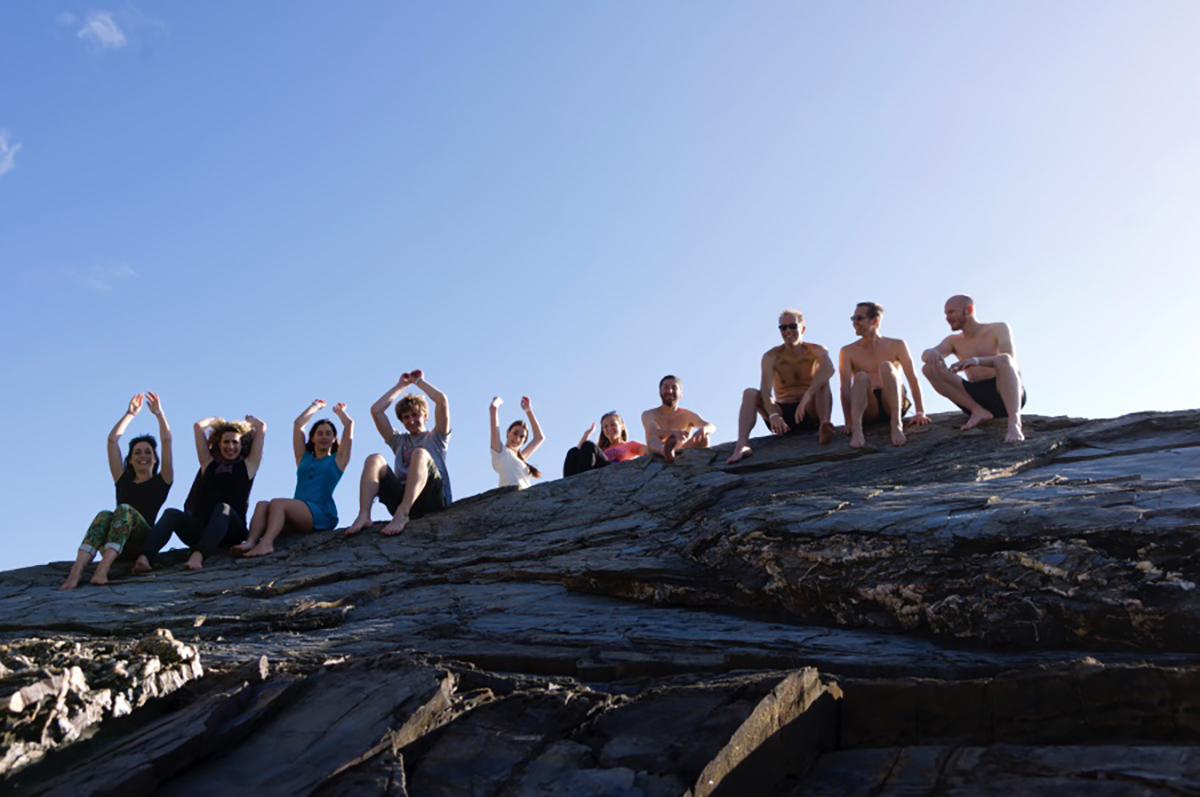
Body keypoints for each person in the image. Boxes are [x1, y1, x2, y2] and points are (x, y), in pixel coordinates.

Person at [61, 393, 174, 589]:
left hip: (142, 542)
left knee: (124, 510)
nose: (143, 456)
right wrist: (130, 414)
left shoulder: (162, 481)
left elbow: (166, 441)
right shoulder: (123, 480)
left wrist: (159, 414)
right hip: (116, 540)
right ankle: (76, 572)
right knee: (104, 515)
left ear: (155, 459)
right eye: (137, 453)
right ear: (130, 460)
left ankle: (102, 569)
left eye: (148, 452)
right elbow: (112, 441)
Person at [134, 414, 266, 573]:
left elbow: (261, 427)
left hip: (231, 531)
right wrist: (216, 422)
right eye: (226, 441)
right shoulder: (208, 463)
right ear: (218, 443)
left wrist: (249, 421)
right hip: (201, 531)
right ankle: (145, 558)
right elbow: (197, 427)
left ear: (241, 444)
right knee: (171, 514)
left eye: (235, 442)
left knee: (223, 508)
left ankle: (199, 555)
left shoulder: (248, 466)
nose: (230, 446)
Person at [235, 399, 354, 558]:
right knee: (262, 504)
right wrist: (315, 406)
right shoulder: (303, 458)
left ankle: (267, 543)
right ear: (312, 438)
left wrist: (341, 413)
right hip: (298, 511)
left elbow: (349, 425)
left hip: (320, 511)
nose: (324, 437)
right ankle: (250, 541)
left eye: (328, 433)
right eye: (320, 433)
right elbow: (298, 425)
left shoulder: (338, 460)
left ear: (334, 439)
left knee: (278, 503)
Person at [345, 370, 452, 536]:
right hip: (401, 495)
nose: (411, 421)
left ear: (425, 416)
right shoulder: (399, 441)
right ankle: (364, 514)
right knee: (374, 459)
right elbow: (376, 411)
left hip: (433, 498)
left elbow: (442, 401)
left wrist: (419, 382)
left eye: (415, 415)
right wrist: (401, 386)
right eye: (406, 417)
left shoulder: (437, 437)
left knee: (420, 454)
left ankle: (403, 512)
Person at [727, 309, 837, 464]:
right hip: (782, 417)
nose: (788, 331)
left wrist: (807, 397)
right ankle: (742, 445)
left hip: (810, 412)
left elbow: (829, 368)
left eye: (792, 326)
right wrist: (773, 415)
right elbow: (765, 390)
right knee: (750, 393)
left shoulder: (816, 350)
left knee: (823, 380)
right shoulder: (771, 356)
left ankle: (824, 426)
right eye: (783, 328)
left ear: (802, 328)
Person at [921, 294, 1026, 443]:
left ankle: (1014, 424)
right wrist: (929, 352)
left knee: (1004, 359)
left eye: (951, 312)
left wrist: (976, 361)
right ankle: (978, 412)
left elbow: (1009, 360)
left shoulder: (998, 328)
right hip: (976, 397)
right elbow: (926, 356)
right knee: (928, 368)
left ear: (968, 309)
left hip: (1004, 393)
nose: (947, 317)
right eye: (946, 313)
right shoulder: (953, 340)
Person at [838, 302, 930, 449]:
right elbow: (845, 388)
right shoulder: (847, 351)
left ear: (874, 321)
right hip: (868, 406)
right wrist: (848, 421)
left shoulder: (897, 345)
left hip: (893, 401)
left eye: (859, 318)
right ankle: (857, 429)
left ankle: (896, 425)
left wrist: (920, 411)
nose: (855, 323)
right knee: (861, 376)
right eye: (853, 319)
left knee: (886, 366)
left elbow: (912, 378)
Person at [642, 375, 716, 464]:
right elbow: (652, 431)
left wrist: (703, 430)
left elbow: (711, 426)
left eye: (674, 388)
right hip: (657, 452)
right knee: (653, 440)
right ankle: (666, 452)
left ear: (681, 393)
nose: (670, 391)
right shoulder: (649, 414)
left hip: (683, 449)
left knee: (705, 438)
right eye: (666, 388)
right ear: (660, 392)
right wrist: (674, 433)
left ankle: (692, 460)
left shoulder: (687, 415)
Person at [563, 411, 648, 476]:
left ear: (622, 426)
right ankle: (568, 485)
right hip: (598, 470)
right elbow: (578, 453)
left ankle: (584, 480)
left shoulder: (630, 445)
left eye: (613, 425)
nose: (609, 428)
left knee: (588, 445)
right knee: (573, 451)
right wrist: (586, 434)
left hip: (614, 473)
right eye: (605, 427)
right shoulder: (601, 450)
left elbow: (649, 450)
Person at [489, 396, 545, 489]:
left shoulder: (522, 457)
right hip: (509, 497)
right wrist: (498, 401)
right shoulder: (500, 451)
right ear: (508, 432)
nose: (517, 439)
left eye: (522, 437)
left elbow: (539, 437)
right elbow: (493, 409)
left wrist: (528, 410)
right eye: (515, 433)